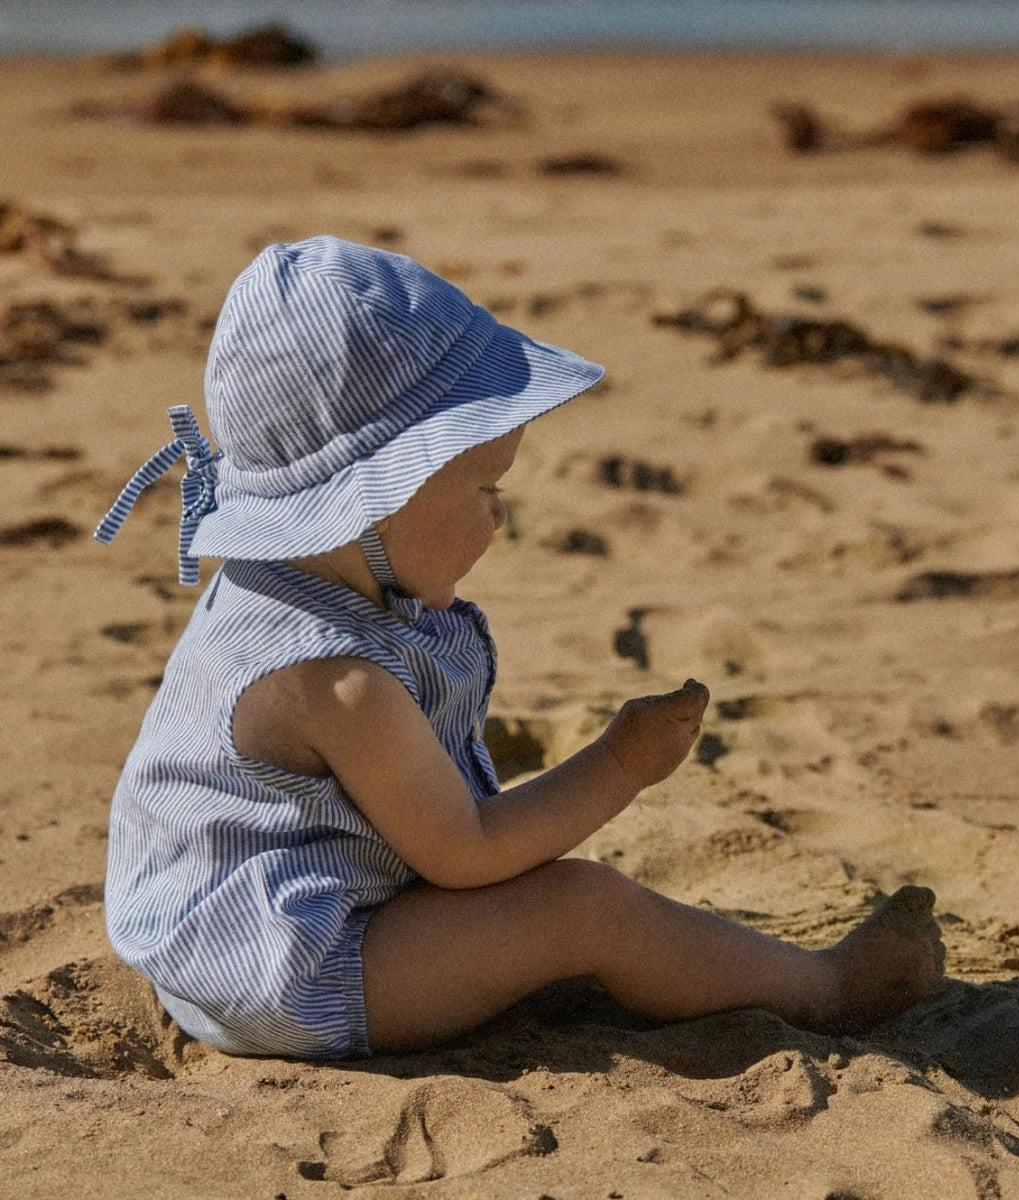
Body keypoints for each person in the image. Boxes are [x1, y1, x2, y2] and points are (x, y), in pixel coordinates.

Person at [95, 235, 945, 1060]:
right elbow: (466, 852)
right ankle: (831, 991)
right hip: (294, 976)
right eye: (485, 486)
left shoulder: (274, 582)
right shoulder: (333, 677)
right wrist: (620, 763)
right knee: (586, 908)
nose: (500, 515)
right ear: (377, 499)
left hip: (223, 940)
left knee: (538, 911)